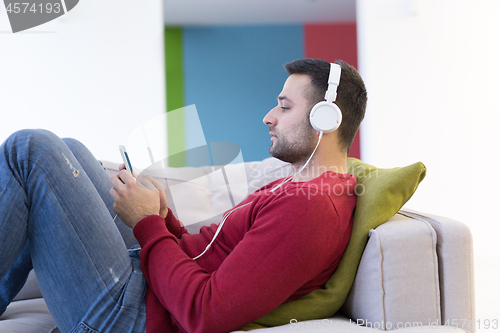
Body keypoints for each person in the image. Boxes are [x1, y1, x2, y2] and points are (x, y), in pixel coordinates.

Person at [0, 58, 367, 333]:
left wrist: (147, 225)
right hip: (151, 288)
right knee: (70, 149)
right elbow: (208, 253)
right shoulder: (297, 186)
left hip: (135, 317)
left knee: (31, 149)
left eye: (285, 107)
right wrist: (163, 221)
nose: (269, 116)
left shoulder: (312, 209)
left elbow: (204, 313)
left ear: (325, 120)